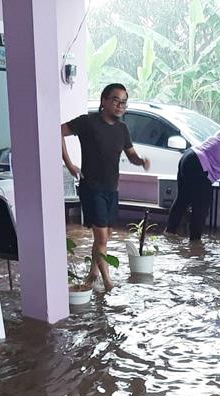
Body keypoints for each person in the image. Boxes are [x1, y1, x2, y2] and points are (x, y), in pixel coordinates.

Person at [61, 83, 150, 291]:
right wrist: (69, 163)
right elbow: (58, 132)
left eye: (124, 102)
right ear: (104, 101)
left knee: (106, 235)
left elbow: (131, 155)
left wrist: (141, 161)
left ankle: (92, 272)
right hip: (92, 187)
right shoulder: (88, 122)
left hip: (112, 189)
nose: (120, 105)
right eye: (116, 100)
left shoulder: (122, 129)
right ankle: (108, 283)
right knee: (101, 237)